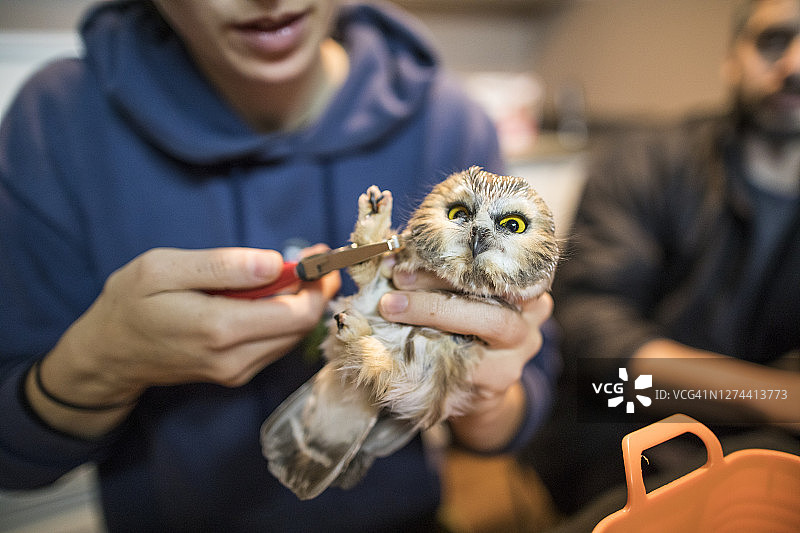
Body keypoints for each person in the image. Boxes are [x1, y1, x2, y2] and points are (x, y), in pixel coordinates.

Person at [0, 1, 557, 531]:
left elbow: (528, 399)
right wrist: (103, 364)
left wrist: (484, 393)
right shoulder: (59, 121)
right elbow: (14, 459)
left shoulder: (450, 120)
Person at [520, 0, 800, 525]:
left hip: (768, 448)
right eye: (772, 41)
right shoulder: (644, 163)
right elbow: (595, 337)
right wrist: (775, 396)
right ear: (730, 59)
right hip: (621, 421)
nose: (794, 65)